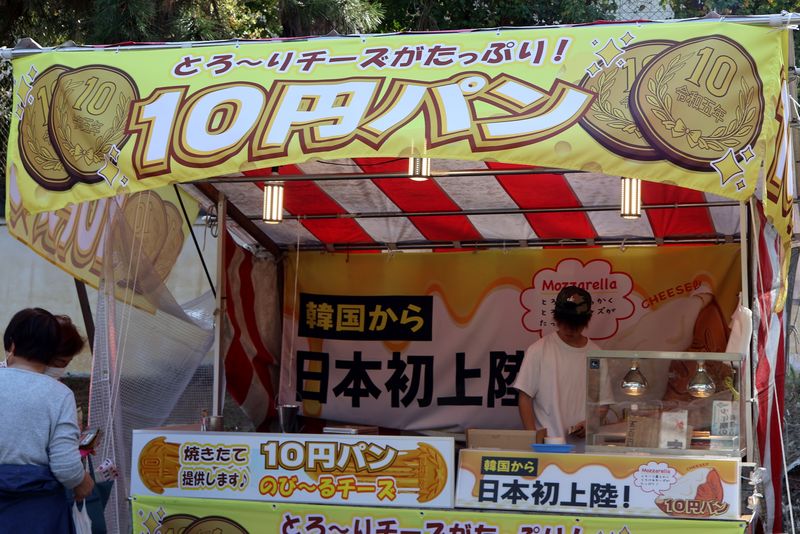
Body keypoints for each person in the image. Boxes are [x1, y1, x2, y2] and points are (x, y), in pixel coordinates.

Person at [0, 308, 94, 533]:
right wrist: (82, 482)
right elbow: (66, 467)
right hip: (37, 515)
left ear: (12, 344)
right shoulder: (59, 395)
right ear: (52, 353)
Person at [512, 286, 599, 442]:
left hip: (585, 449)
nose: (570, 329)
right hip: (548, 446)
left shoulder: (596, 353)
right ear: (557, 318)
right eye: (566, 323)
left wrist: (591, 423)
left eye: (575, 324)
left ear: (586, 320)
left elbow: (603, 402)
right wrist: (533, 439)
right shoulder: (538, 350)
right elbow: (524, 398)